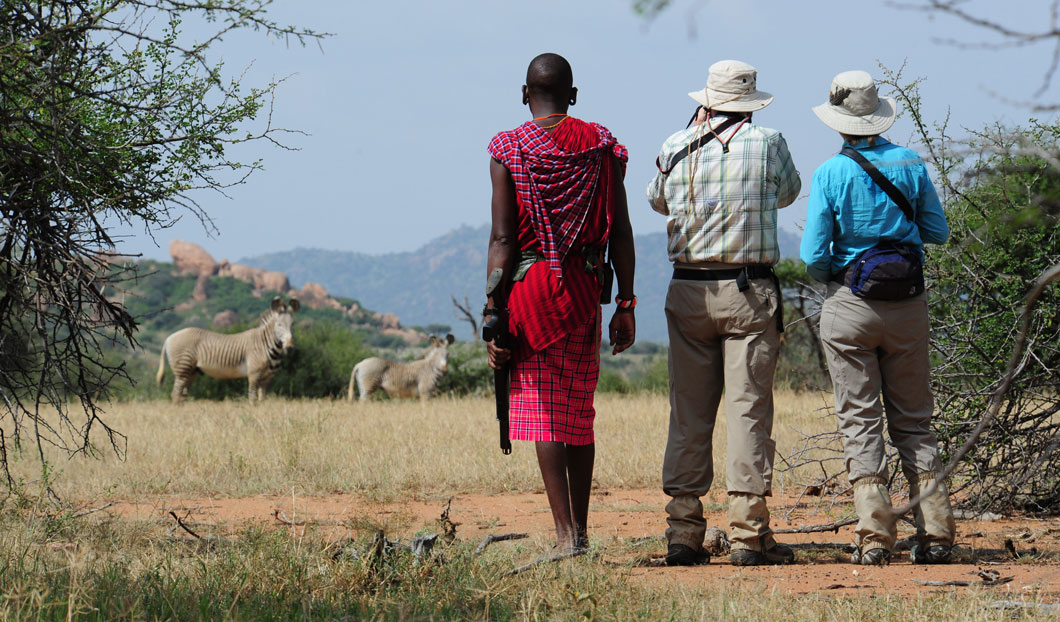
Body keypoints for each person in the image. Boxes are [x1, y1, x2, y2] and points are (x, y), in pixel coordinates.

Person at [647, 60, 801, 566]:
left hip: (688, 291)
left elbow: (658, 201)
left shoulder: (675, 144)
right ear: (751, 103)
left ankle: (684, 531)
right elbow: (786, 193)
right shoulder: (770, 142)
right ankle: (747, 534)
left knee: (688, 414)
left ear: (706, 100)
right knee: (747, 411)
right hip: (749, 291)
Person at [800, 70, 956, 565]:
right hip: (908, 306)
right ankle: (935, 534)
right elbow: (937, 231)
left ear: (838, 120)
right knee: (914, 421)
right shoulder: (910, 162)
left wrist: (839, 275)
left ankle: (874, 536)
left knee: (860, 419)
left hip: (851, 304)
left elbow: (812, 254)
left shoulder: (830, 172)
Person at [485, 53, 636, 552]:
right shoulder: (602, 148)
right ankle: (583, 533)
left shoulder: (510, 150)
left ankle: (565, 535)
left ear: (524, 93)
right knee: (577, 411)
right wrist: (627, 303)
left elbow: (504, 240)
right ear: (573, 96)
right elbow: (623, 234)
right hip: (586, 295)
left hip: (531, 295)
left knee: (544, 414)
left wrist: (493, 309)